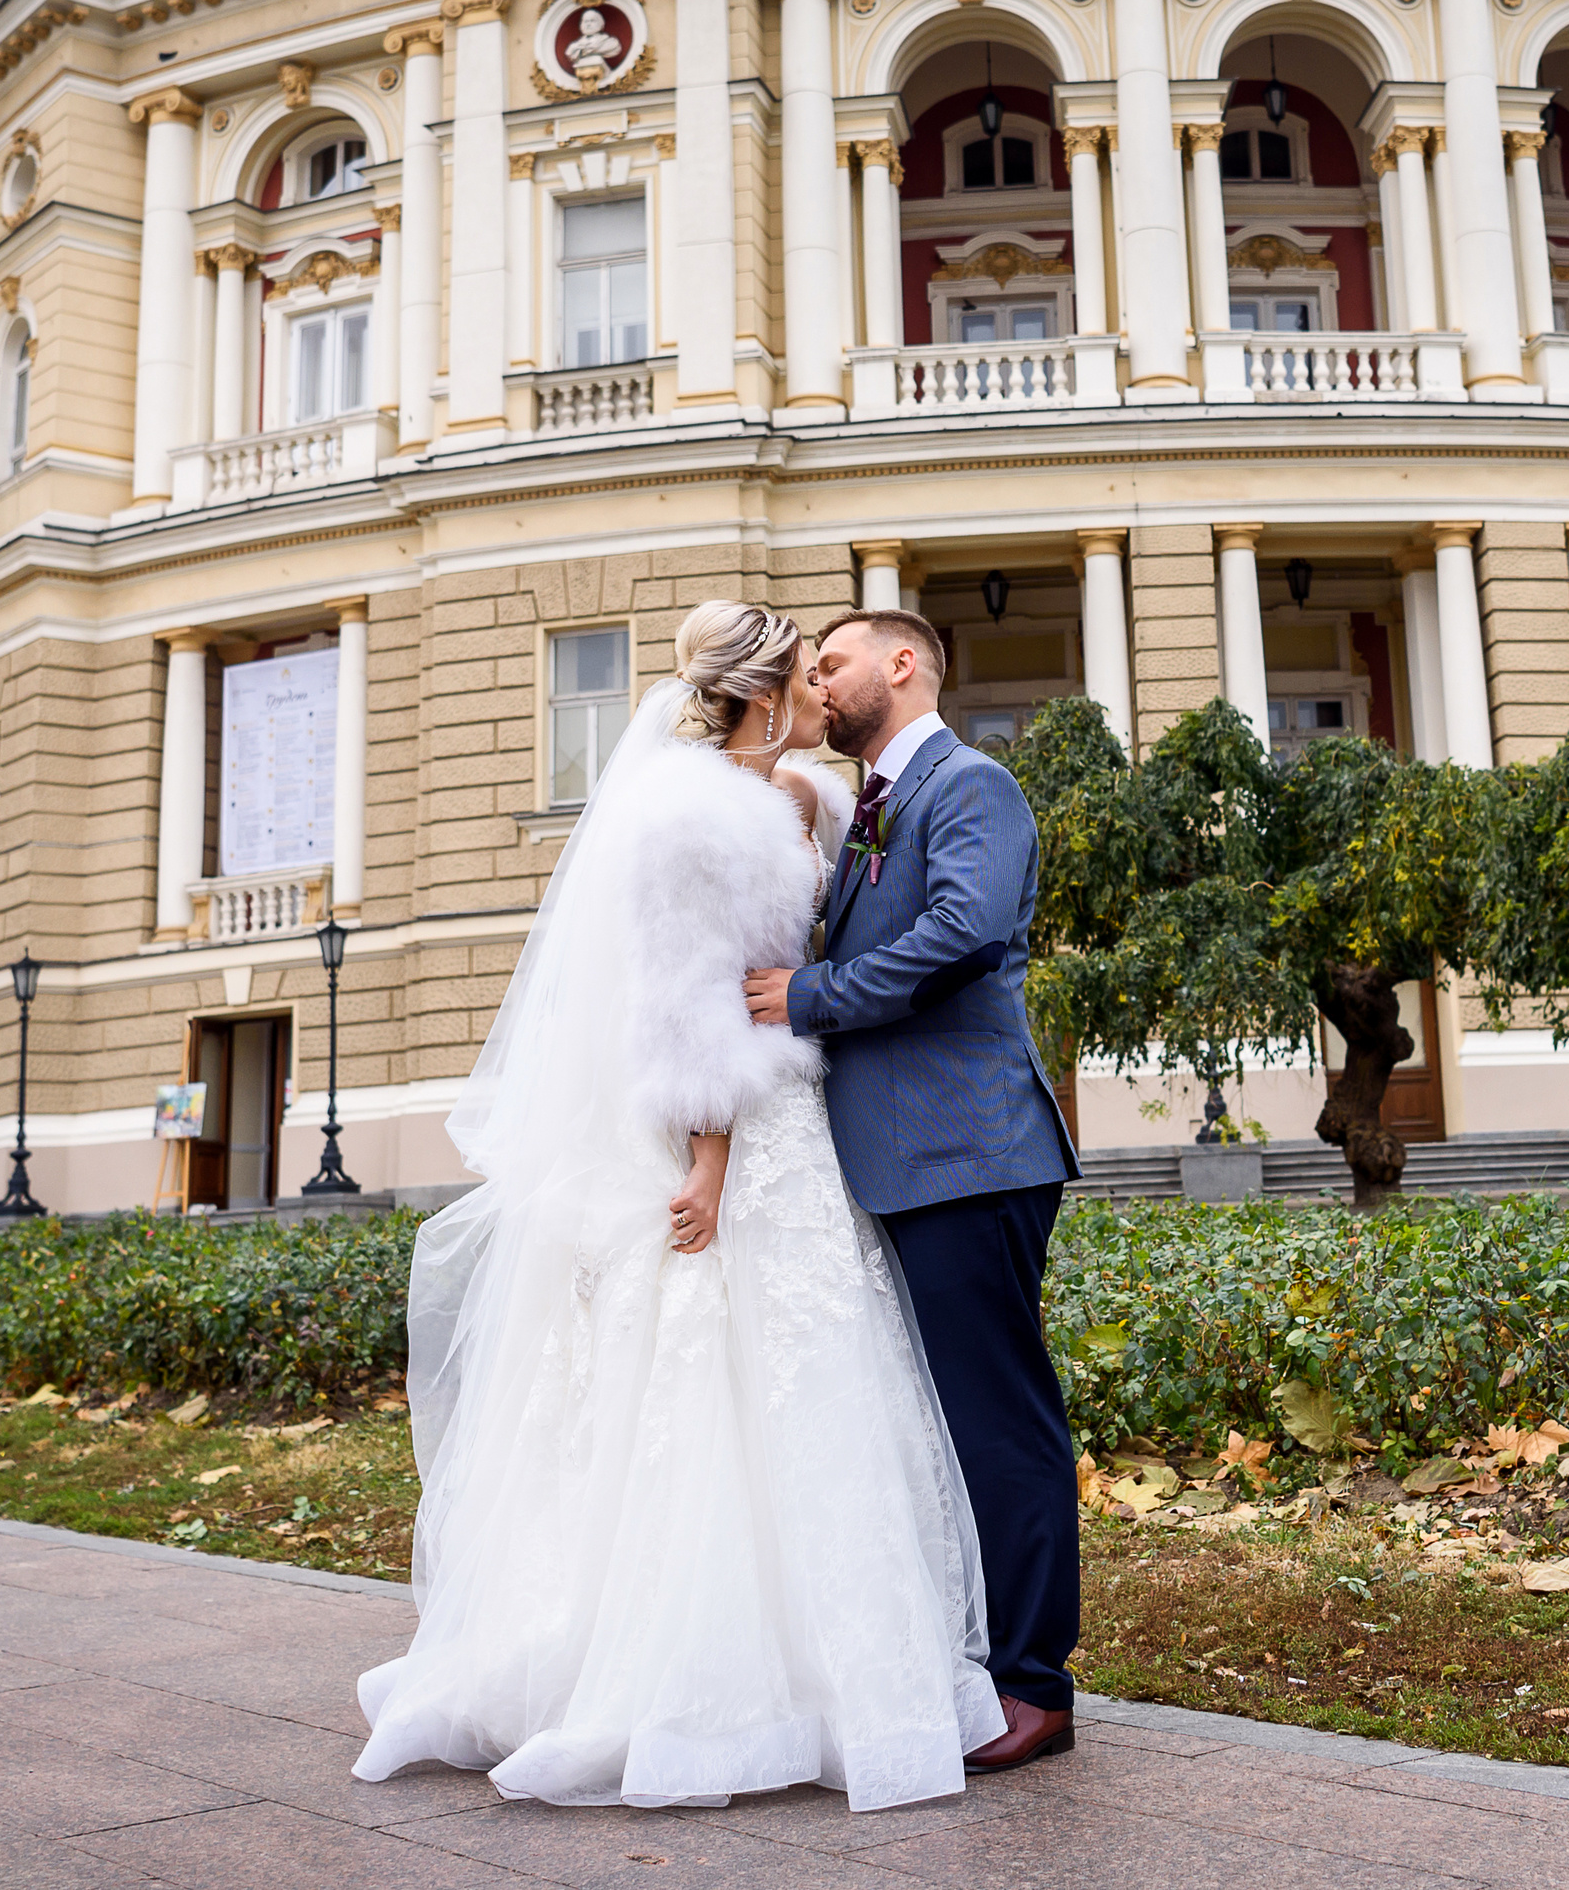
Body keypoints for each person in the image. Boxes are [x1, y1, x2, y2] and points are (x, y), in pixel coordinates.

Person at [354, 603, 1000, 1812]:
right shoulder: (710, 815)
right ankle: (735, 1683)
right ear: (765, 694)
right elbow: (698, 1003)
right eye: (809, 673)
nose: (823, 688)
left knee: (774, 1381)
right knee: (742, 1383)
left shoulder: (779, 794)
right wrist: (709, 1161)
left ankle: (801, 1669)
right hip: (741, 1131)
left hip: (782, 1122)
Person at [744, 608, 1081, 1770]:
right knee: (945, 1424)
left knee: (999, 1419)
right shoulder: (873, 806)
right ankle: (979, 1658)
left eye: (829, 662)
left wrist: (807, 994)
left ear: (902, 664)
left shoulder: (969, 784)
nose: (816, 682)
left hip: (970, 1154)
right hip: (910, 1160)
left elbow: (958, 934)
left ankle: (1037, 1683)